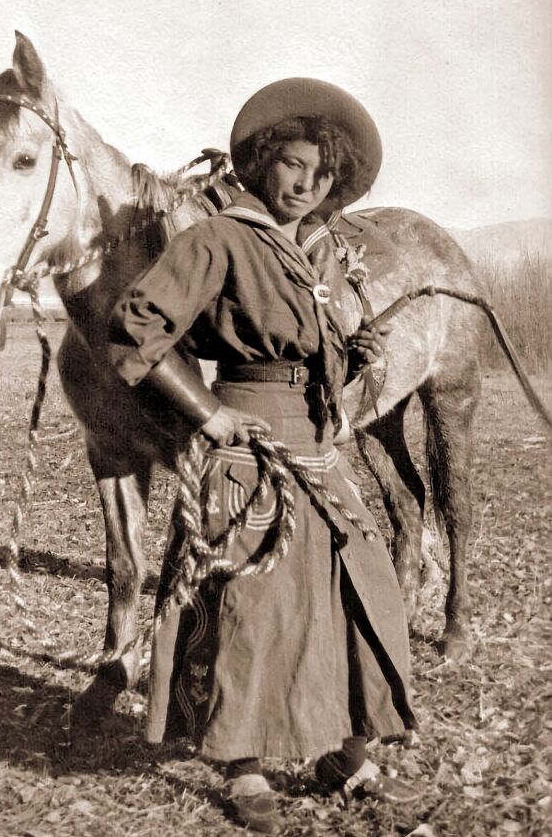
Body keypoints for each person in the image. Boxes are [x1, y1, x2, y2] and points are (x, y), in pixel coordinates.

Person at [108, 78, 418, 833]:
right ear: (262, 163)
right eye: (292, 165)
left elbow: (319, 349)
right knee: (252, 610)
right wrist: (210, 414)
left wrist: (352, 356)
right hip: (249, 448)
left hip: (318, 447)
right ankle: (243, 764)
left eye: (320, 173)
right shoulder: (220, 238)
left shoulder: (319, 252)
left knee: (359, 591)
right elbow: (135, 329)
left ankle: (347, 750)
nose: (305, 182)